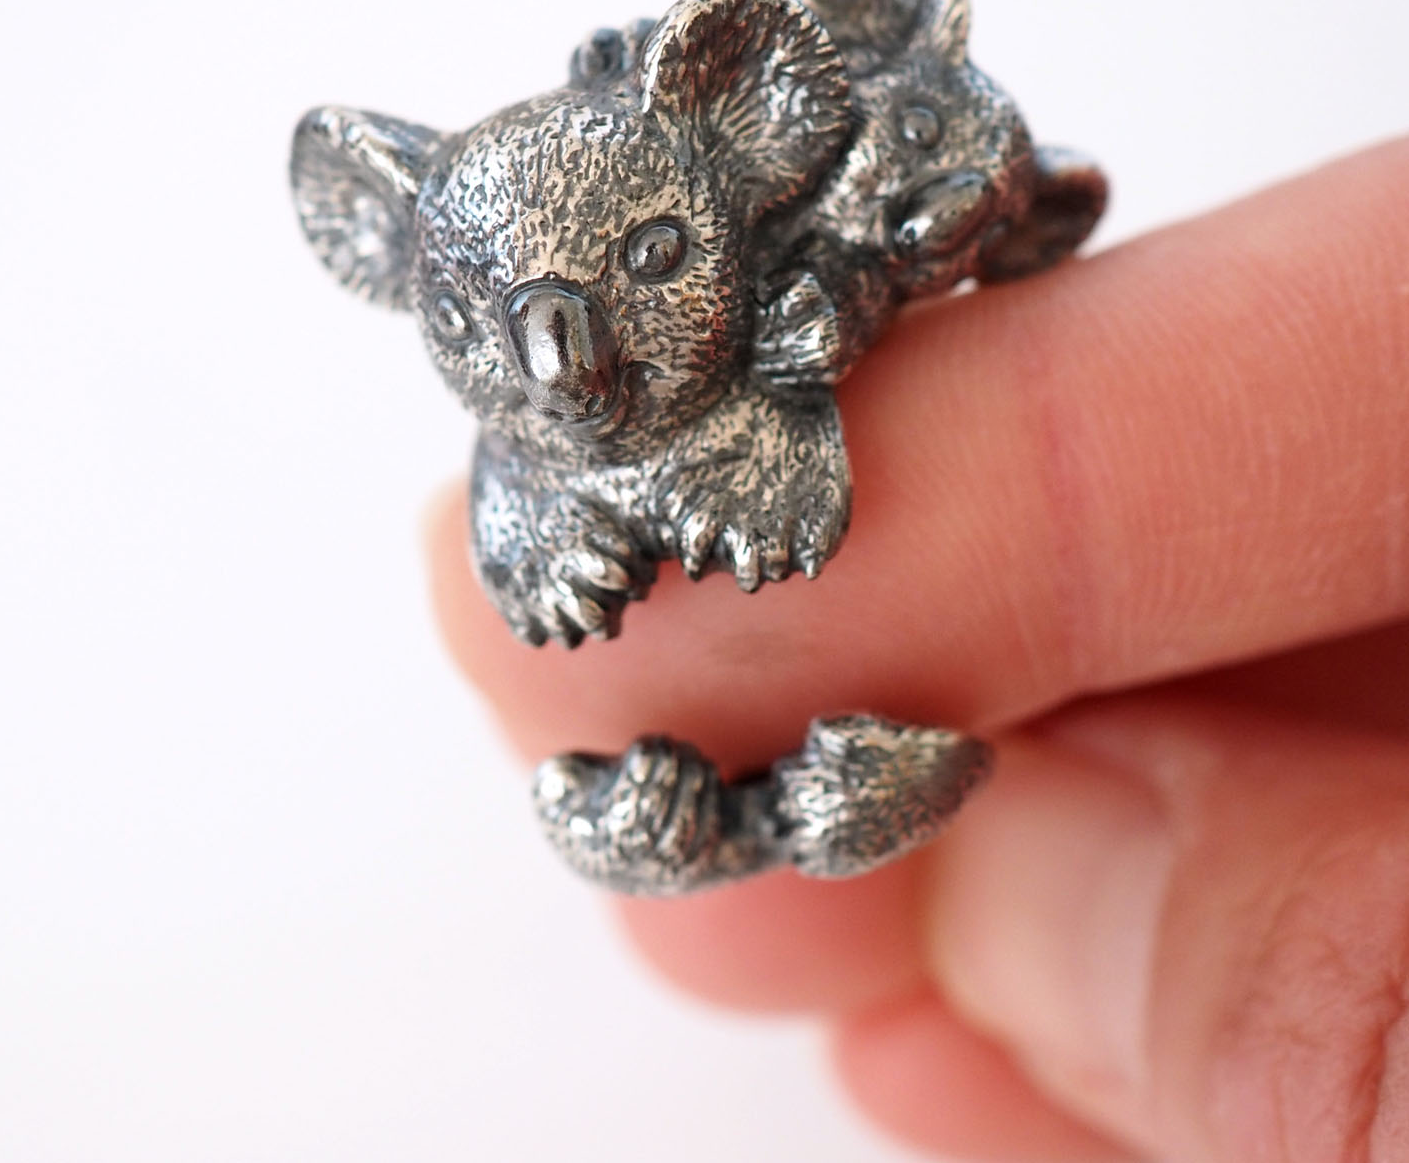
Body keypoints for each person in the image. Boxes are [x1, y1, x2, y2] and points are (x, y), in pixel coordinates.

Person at [427, 138, 1409, 1163]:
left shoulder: (793, 295)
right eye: (462, 319)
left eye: (652, 255)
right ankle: (699, 830)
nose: (560, 366)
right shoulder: (534, 456)